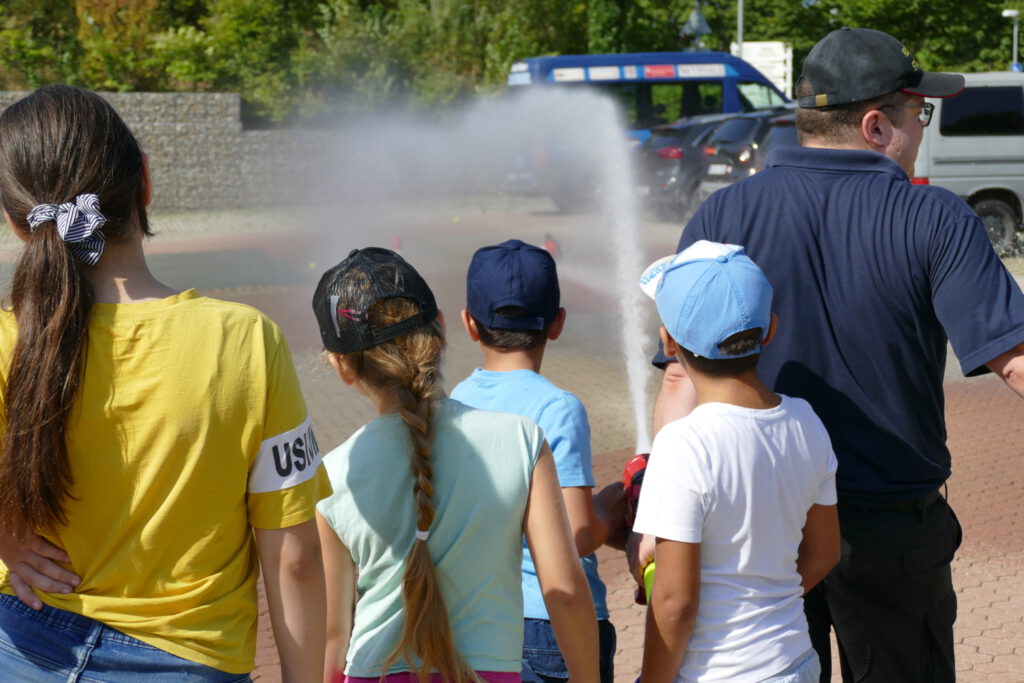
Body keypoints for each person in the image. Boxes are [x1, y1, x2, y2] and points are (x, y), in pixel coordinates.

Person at [654, 27, 1024, 682]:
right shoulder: (935, 218)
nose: (921, 129)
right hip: (890, 533)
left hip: (754, 532)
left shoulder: (720, 217)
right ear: (878, 125)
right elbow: (1018, 361)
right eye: (921, 113)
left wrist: (656, 507)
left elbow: (680, 377)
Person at [0, 85, 331, 681]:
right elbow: (296, 561)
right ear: (145, 183)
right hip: (185, 660)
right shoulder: (246, 342)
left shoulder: (5, 343)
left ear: (18, 223)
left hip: (18, 643)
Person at [312, 247, 599, 683]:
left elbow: (334, 634)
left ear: (340, 366)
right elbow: (566, 593)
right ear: (442, 328)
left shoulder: (332, 475)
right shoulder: (521, 440)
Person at [633, 240, 839, 683]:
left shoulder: (683, 444)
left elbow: (674, 601)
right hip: (796, 659)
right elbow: (824, 552)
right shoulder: (807, 421)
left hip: (717, 672)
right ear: (770, 330)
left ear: (669, 342)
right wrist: (765, 604)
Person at [449, 239, 624, 683]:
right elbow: (578, 533)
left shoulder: (456, 401)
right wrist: (611, 505)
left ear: (469, 324)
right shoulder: (558, 408)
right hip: (554, 627)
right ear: (558, 323)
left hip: (480, 623)